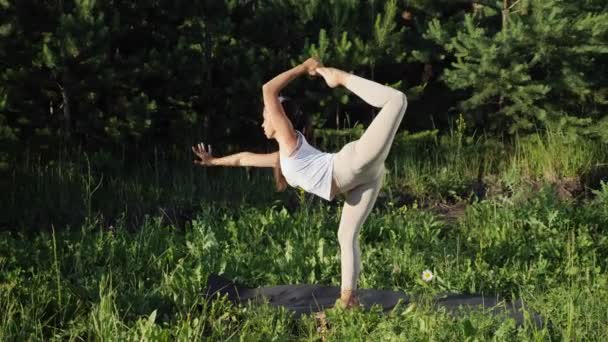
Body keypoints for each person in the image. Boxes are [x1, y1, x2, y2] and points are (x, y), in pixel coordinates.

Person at [192, 57, 408, 309]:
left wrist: (304, 68)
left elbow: (268, 90)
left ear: (279, 118)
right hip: (361, 179)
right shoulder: (283, 157)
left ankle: (341, 78)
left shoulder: (289, 139)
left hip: (353, 164)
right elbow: (244, 159)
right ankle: (348, 299)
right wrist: (213, 162)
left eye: (266, 117)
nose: (263, 123)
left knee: (397, 100)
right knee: (346, 235)